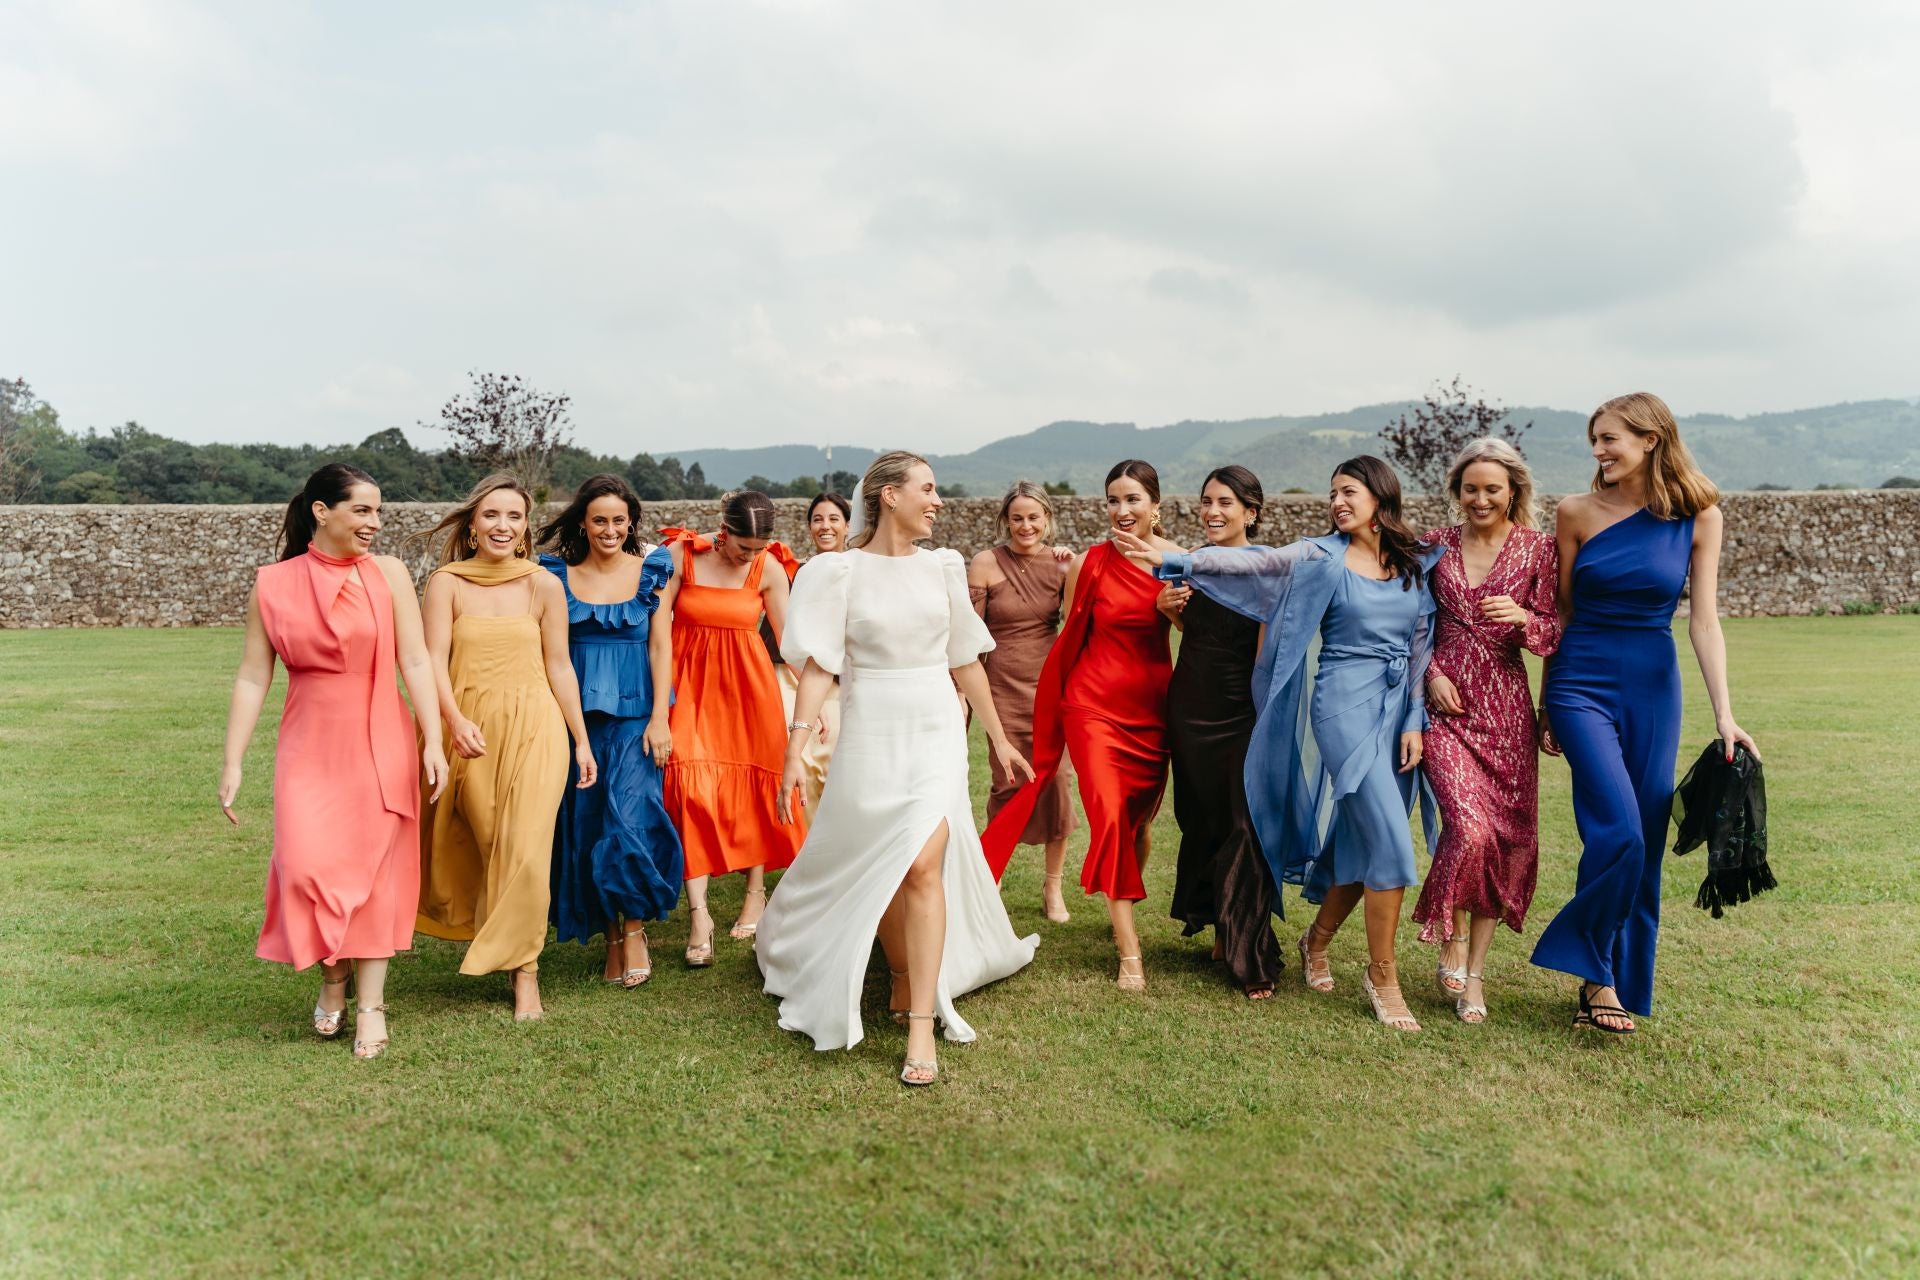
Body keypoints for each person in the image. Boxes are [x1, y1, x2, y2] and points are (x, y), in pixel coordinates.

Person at [1115, 455, 1442, 1031]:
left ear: (1380, 498)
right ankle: (1383, 978)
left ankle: (1316, 941)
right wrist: (1183, 559)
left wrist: (1415, 715)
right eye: (1333, 492)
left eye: (1349, 492)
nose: (1337, 502)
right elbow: (1258, 560)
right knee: (1392, 841)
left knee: (1356, 835)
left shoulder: (1416, 566)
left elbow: (1420, 646)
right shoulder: (1320, 555)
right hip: (1343, 704)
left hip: (1397, 715)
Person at [755, 451, 1039, 1086]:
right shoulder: (838, 572)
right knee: (881, 852)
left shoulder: (943, 567)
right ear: (887, 495)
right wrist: (795, 750)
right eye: (928, 489)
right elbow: (822, 667)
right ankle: (902, 970)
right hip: (871, 726)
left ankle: (920, 1022)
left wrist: (997, 739)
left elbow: (964, 659)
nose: (938, 501)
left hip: (934, 726)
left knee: (921, 861)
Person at [1532, 392, 1759, 1033]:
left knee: (1648, 838)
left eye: (1611, 440)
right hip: (1580, 682)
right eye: (1595, 441)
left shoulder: (1700, 515)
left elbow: (1705, 621)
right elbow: (1564, 614)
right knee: (1618, 829)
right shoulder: (1575, 512)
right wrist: (1548, 700)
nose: (1600, 452)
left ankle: (1609, 979)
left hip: (1654, 686)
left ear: (1651, 440)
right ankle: (1597, 974)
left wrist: (1724, 714)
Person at [220, 464, 447, 1060]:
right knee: (303, 866)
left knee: (376, 875)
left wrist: (433, 739)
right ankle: (332, 975)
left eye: (379, 512)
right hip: (308, 744)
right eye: (363, 511)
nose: (375, 523)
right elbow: (251, 675)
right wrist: (234, 761)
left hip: (380, 739)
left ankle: (370, 1005)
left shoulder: (390, 574)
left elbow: (417, 660)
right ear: (323, 511)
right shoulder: (272, 583)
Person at [984, 460, 1182, 992]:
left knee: (1138, 823)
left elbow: (1202, 633)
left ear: (1155, 507)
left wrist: (1173, 609)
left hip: (1151, 707)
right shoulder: (1088, 564)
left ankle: (1123, 903)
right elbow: (1068, 632)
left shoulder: (1176, 564)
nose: (1122, 511)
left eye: (1133, 500)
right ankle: (1129, 951)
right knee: (1111, 818)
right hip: (1091, 706)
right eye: (1114, 500)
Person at [415, 474, 596, 1024]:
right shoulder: (446, 583)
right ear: (472, 523)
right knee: (490, 837)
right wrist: (452, 721)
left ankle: (525, 973)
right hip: (469, 729)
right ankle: (492, 936)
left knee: (526, 848)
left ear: (525, 529)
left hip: (537, 724)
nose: (502, 526)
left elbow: (560, 666)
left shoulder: (542, 585)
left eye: (514, 517)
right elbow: (431, 665)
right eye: (491, 515)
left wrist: (581, 739)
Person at [1410, 439, 1560, 1023]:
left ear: (1513, 491)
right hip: (1448, 708)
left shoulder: (1539, 550)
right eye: (1470, 488)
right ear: (1458, 491)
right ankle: (1447, 928)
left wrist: (1524, 618)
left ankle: (1474, 977)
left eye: (1491, 488)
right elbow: (1411, 625)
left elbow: (1554, 630)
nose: (1480, 498)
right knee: (1470, 829)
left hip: (1506, 710)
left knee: (1505, 842)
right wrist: (1429, 677)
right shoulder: (1434, 547)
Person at [537, 474, 683, 988]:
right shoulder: (554, 576)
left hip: (638, 717)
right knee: (589, 823)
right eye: (600, 520)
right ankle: (612, 938)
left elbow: (660, 646)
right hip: (574, 718)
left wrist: (661, 719)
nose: (610, 529)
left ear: (631, 524)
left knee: (633, 815)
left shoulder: (652, 572)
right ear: (583, 521)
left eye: (619, 521)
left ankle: (637, 928)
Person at [657, 490, 804, 964]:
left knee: (753, 787)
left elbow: (791, 641)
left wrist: (815, 700)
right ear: (723, 530)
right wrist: (657, 704)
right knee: (690, 791)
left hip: (747, 691)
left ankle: (755, 893)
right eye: (743, 547)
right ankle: (699, 913)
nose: (750, 556)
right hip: (690, 687)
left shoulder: (771, 568)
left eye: (759, 548)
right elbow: (657, 629)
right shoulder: (681, 555)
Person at [1158, 466, 1281, 999]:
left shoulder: (1268, 568)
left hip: (1242, 708)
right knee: (1202, 816)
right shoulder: (1188, 565)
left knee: (1242, 823)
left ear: (1250, 512)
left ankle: (1248, 949)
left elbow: (1267, 650)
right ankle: (1217, 922)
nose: (1213, 512)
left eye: (1226, 503)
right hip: (1189, 702)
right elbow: (1194, 629)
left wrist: (1262, 716)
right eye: (1207, 501)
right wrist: (1168, 610)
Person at [968, 481, 1078, 924]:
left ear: (1047, 519)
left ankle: (1053, 886)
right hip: (1000, 689)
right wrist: (964, 694)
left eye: (1034, 517)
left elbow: (1075, 626)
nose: (1026, 525)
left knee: (1058, 785)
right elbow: (971, 639)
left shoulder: (1061, 565)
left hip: (1050, 689)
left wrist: (1074, 571)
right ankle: (990, 876)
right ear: (1006, 521)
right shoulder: (984, 563)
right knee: (1007, 783)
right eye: (1017, 518)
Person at [769, 491, 851, 819]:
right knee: (800, 753)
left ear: (848, 525)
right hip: (794, 677)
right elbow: (783, 640)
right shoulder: (796, 574)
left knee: (838, 757)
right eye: (817, 519)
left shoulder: (858, 572)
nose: (825, 526)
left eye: (834, 519)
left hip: (844, 679)